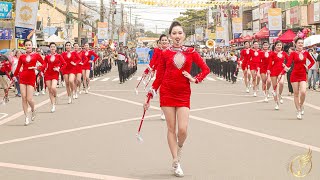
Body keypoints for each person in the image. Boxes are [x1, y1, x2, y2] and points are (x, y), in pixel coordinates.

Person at [144, 21, 210, 177]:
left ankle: (179, 146)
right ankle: (175, 161)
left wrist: (196, 79)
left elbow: (206, 69)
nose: (177, 36)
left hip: (183, 93)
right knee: (171, 128)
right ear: (170, 36)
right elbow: (159, 76)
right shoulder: (164, 53)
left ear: (184, 35)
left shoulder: (191, 52)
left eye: (180, 33)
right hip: (166, 92)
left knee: (183, 130)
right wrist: (149, 96)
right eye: (174, 33)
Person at [13, 39, 45, 125]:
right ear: (24, 46)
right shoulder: (22, 56)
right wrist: (14, 76)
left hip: (31, 77)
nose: (28, 46)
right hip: (22, 77)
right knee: (23, 97)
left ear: (32, 45)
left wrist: (37, 68)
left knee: (29, 98)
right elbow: (18, 67)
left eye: (29, 45)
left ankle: (33, 109)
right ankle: (26, 117)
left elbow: (44, 64)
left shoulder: (36, 55)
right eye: (26, 45)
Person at [285, 38, 315, 119]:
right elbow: (288, 63)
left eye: (302, 43)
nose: (300, 44)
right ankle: (298, 110)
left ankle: (301, 105)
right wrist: (286, 67)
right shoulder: (293, 53)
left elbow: (313, 61)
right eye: (299, 43)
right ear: (295, 44)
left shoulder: (306, 52)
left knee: (303, 92)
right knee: (296, 93)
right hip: (294, 75)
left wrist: (307, 67)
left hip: (302, 75)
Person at [44, 42, 66, 112]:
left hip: (55, 74)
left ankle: (56, 95)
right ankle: (53, 105)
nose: (52, 48)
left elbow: (64, 64)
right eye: (51, 47)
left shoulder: (59, 56)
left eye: (54, 47)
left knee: (53, 87)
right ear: (49, 48)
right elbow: (44, 65)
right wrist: (39, 69)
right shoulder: (47, 56)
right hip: (48, 74)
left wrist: (59, 69)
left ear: (55, 48)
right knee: (50, 90)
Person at [268, 41, 289, 110]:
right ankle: (276, 103)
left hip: (281, 71)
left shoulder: (284, 53)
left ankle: (280, 95)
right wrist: (268, 69)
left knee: (281, 83)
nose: (279, 46)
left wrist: (285, 65)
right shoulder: (272, 53)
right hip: (273, 71)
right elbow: (270, 63)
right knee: (274, 88)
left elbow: (289, 60)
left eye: (280, 45)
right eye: (278, 45)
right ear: (275, 46)